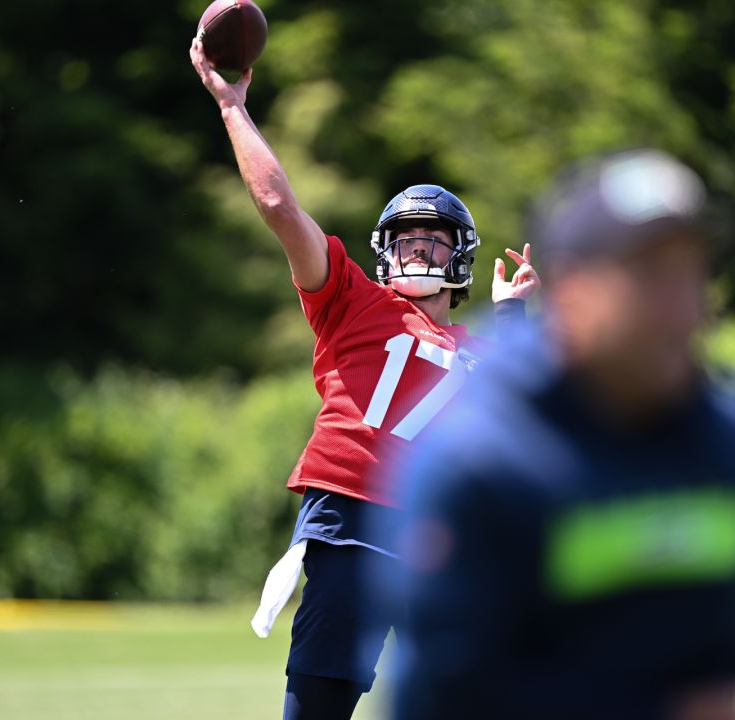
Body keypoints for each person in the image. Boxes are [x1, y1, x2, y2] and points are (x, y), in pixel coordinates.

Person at [187, 41, 541, 720]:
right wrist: (232, 106)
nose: (417, 248)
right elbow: (276, 203)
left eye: (433, 239)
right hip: (348, 524)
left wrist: (517, 315)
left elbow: (530, 417)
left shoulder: (482, 351)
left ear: (461, 257)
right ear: (383, 250)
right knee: (317, 709)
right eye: (406, 237)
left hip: (442, 538)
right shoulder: (350, 299)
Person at [373, 150, 735, 720]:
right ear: (570, 291)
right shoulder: (473, 464)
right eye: (647, 275)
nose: (681, 305)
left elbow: (720, 674)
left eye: (691, 271)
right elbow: (441, 699)